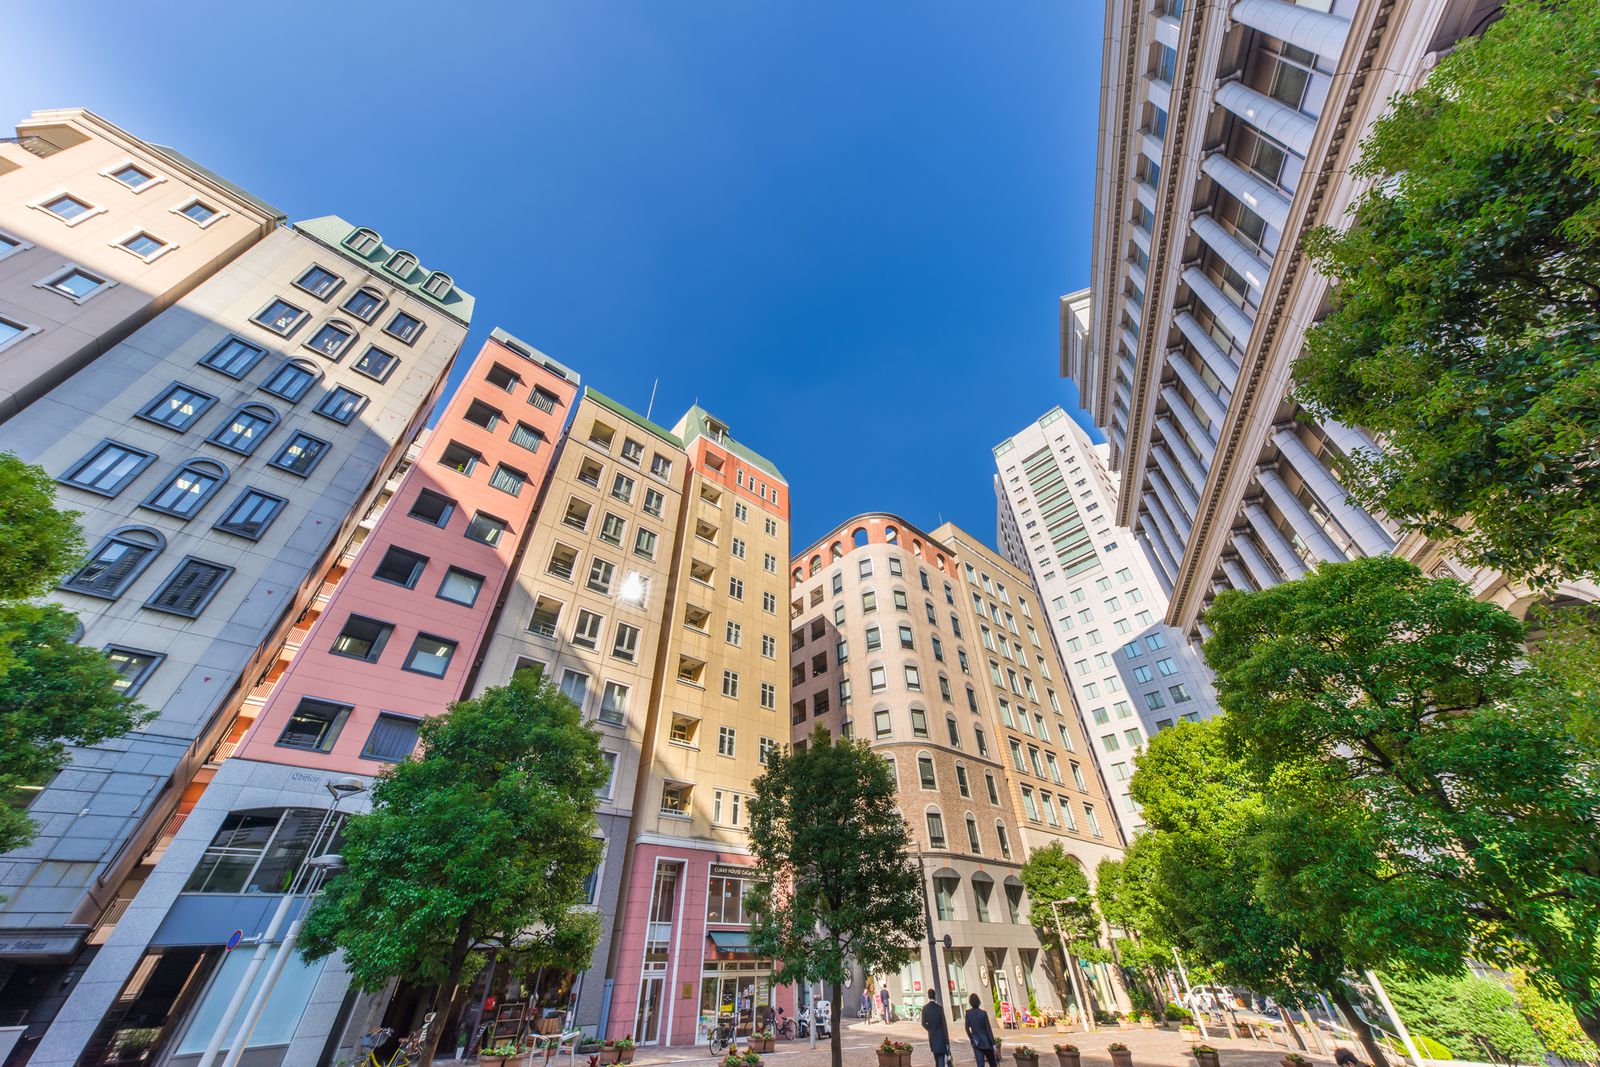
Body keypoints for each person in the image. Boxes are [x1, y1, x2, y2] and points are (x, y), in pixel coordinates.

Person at [965, 993, 998, 1067]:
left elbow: (967, 1028)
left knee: (980, 1064)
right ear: (978, 1001)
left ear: (970, 1002)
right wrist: (993, 1043)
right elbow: (988, 1029)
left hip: (976, 1042)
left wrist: (971, 1038)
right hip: (987, 1042)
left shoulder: (968, 1013)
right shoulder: (983, 1013)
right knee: (993, 1063)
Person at [923, 990, 952, 1067]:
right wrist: (947, 1041)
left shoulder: (925, 1008)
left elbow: (923, 1023)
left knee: (936, 1058)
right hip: (941, 1037)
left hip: (932, 1037)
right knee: (941, 1058)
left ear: (928, 996)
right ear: (934, 995)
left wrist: (929, 1029)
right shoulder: (939, 1008)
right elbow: (944, 1026)